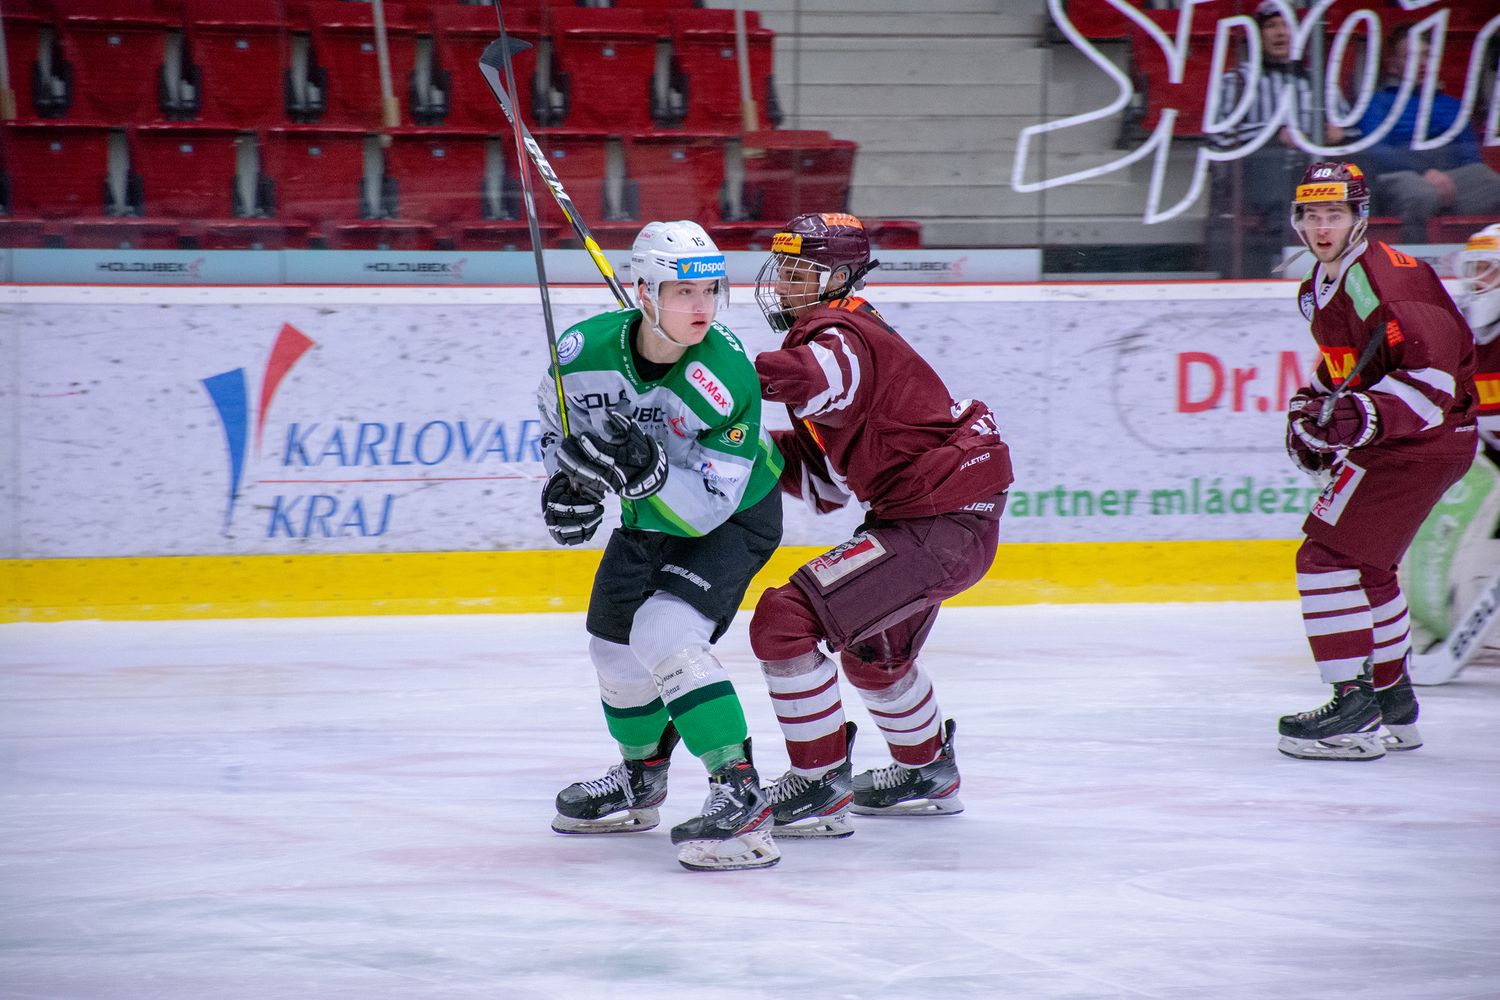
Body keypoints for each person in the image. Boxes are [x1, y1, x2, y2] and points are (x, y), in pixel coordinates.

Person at [743, 212, 1014, 837]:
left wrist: (711, 374)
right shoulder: (851, 328)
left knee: (785, 619)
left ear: (838, 277)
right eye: (781, 269)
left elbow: (818, 374)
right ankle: (926, 770)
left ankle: (818, 783)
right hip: (942, 522)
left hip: (932, 528)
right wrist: (742, 449)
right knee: (877, 658)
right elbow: (826, 479)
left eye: (798, 272)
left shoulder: (838, 330)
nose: (781, 284)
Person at [536, 219, 785, 871]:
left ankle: (742, 795)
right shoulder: (581, 352)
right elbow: (558, 427)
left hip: (735, 516)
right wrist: (565, 481)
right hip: (647, 518)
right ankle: (640, 779)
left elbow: (706, 510)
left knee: (664, 632)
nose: (703, 307)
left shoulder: (725, 374)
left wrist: (647, 476)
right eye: (684, 292)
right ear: (643, 291)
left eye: (711, 291)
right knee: (613, 649)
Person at [1278, 161, 1478, 760]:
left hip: (1425, 439)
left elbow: (1433, 381)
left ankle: (1352, 709)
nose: (1322, 227)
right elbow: (1346, 365)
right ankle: (1392, 700)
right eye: (1312, 215)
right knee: (1369, 567)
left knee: (1324, 557)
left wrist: (1359, 418)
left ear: (1359, 217)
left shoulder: (1389, 279)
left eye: (1334, 214)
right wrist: (1314, 404)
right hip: (1409, 439)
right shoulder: (1319, 285)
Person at [1207, 0, 1352, 278]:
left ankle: (1340, 269)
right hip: (1262, 180)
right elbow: (1218, 139)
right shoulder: (1237, 81)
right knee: (1284, 189)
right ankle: (1286, 270)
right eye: (1272, 25)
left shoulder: (1319, 81)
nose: (1281, 33)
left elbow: (1353, 133)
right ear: (1258, 35)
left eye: (1287, 25)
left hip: (1316, 176)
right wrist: (1272, 134)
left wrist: (1338, 133)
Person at [1356, 24, 1500, 244]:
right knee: (1421, 195)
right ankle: (1412, 258)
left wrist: (1447, 178)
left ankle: (1479, 256)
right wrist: (1425, 171)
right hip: (1400, 175)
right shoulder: (1378, 103)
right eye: (1411, 56)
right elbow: (1377, 150)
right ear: (1393, 66)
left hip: (1452, 177)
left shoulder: (1453, 105)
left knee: (1492, 185)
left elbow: (1471, 158)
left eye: (1426, 55)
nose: (1422, 62)